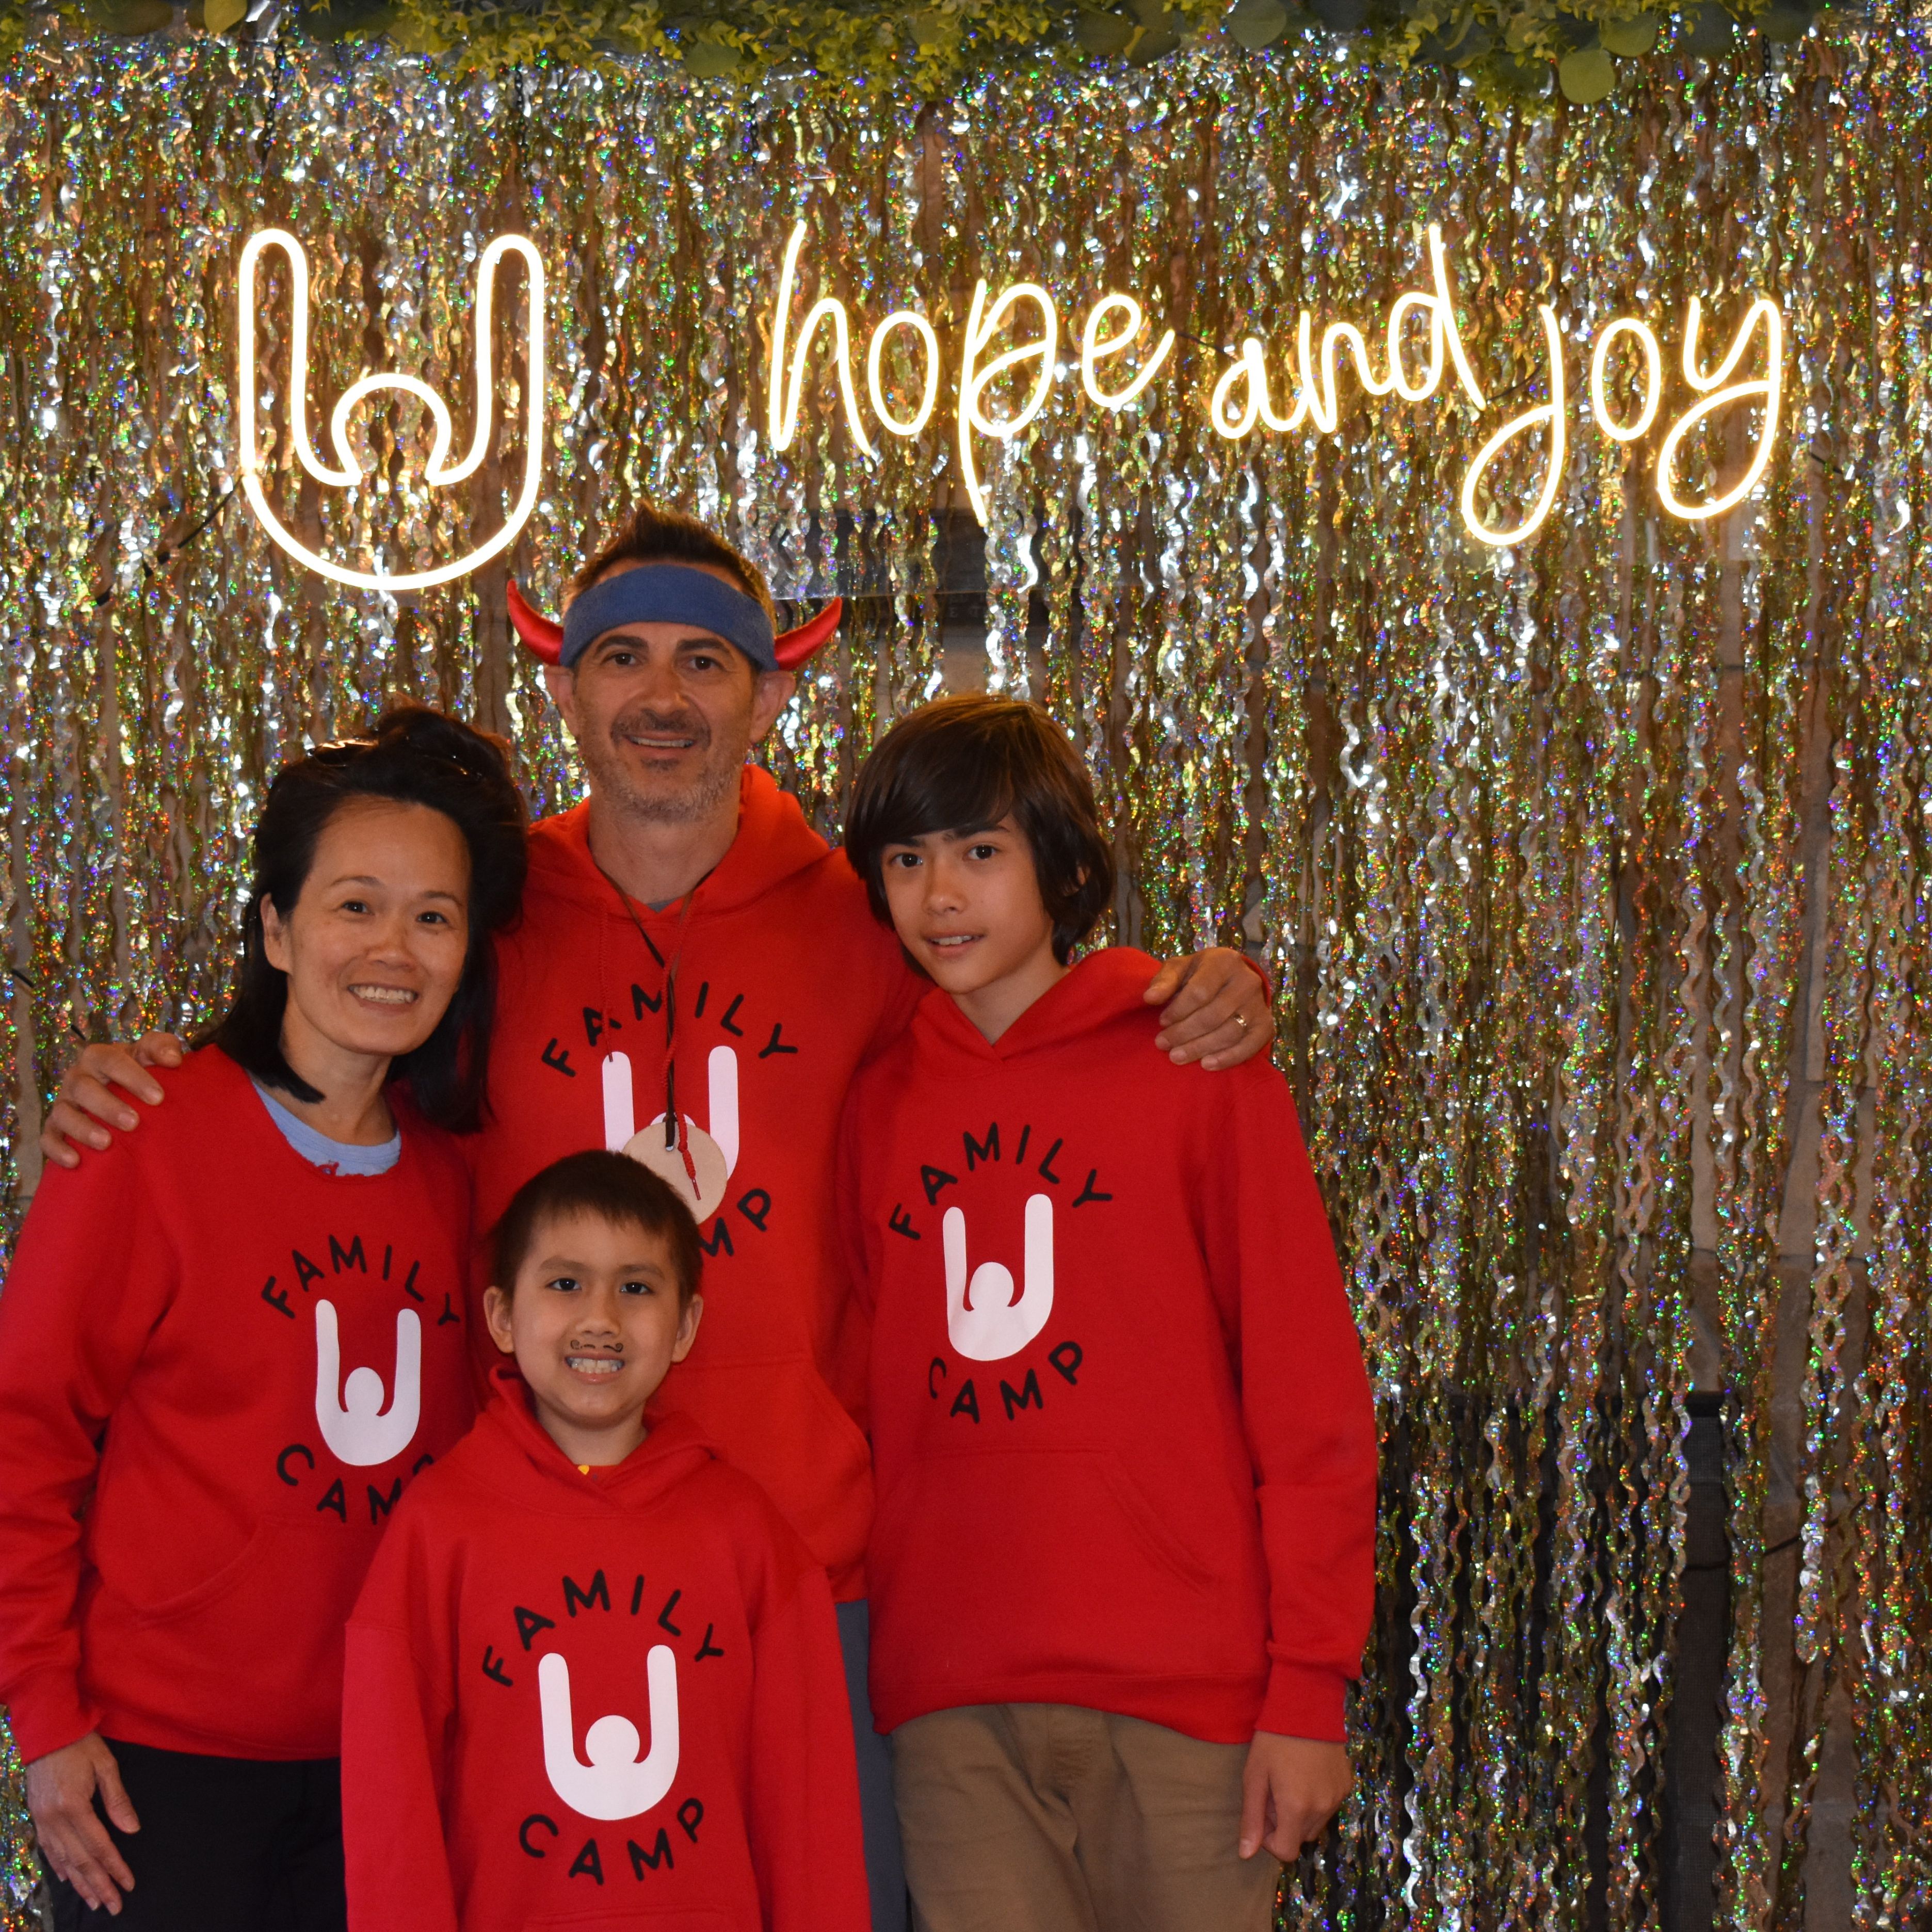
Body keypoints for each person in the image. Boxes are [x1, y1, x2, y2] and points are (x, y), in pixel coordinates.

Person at [37, 501, 1277, 1932]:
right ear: (565, 686)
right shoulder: (489, 921)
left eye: (706, 659)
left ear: (773, 686)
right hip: (532, 1589)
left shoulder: (863, 923)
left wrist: (1178, 985)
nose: (663, 697)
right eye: (623, 658)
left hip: (814, 1580)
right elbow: (343, 1034)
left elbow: (1018, 1023)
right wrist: (157, 1077)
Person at [835, 694, 1378, 1932]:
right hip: (954, 1705)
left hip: (1186, 1703)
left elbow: (1306, 1394)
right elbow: (871, 1387)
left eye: (981, 851)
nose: (941, 895)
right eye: (906, 861)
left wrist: (1308, 1692)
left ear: (1065, 865)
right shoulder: (877, 1108)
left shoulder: (1191, 1061)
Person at [0, 708, 528, 1929]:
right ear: (279, 931)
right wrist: (45, 1720)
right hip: (157, 1767)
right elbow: (25, 1437)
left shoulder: (453, 1185)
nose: (393, 947)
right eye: (355, 905)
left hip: (386, 1759)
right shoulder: (140, 1138)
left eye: (433, 916)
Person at [342, 1150, 867, 1932]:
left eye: (636, 1287)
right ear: (500, 1317)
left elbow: (810, 1814)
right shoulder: (438, 1530)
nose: (601, 1319)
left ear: (685, 1324)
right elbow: (393, 1813)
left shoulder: (746, 1535)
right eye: (564, 1283)